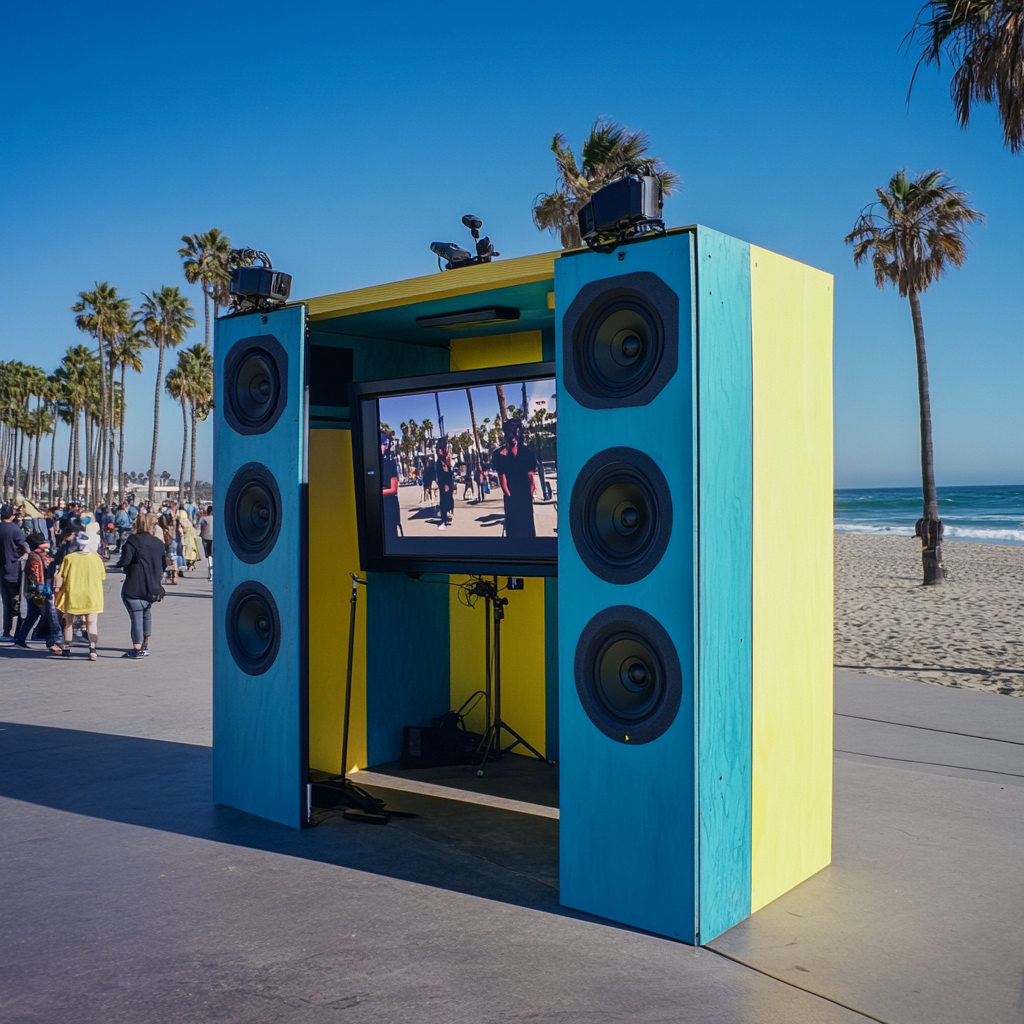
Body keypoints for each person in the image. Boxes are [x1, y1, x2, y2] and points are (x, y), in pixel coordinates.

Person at [117, 513, 166, 659]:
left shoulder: (132, 541)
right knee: (146, 612)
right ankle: (145, 644)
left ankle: (137, 648)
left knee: (136, 615)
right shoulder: (158, 543)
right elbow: (163, 564)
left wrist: (119, 565)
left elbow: (125, 561)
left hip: (134, 584)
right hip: (152, 586)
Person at [55, 531, 105, 660]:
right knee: (91, 624)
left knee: (69, 623)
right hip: (92, 595)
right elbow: (102, 576)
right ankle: (92, 650)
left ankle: (67, 647)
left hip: (73, 594)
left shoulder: (69, 558)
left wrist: (56, 589)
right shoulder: (96, 558)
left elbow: (61, 576)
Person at [13, 532, 62, 653]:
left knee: (32, 616)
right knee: (50, 616)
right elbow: (35, 578)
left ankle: (20, 640)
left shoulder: (39, 556)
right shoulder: (34, 558)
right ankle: (52, 641)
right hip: (38, 592)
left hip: (35, 592)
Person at [491, 418, 537, 539]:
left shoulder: (527, 451)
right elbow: (502, 477)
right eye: (508, 431)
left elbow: (531, 477)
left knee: (527, 528)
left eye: (514, 431)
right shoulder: (498, 454)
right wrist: (510, 495)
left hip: (525, 494)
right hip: (511, 497)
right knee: (513, 530)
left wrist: (528, 494)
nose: (511, 435)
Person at [1, 503, 30, 639]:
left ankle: (7, 631)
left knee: (6, 602)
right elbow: (25, 547)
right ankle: (18, 631)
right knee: (17, 601)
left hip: (2, 570)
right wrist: (20, 556)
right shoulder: (15, 529)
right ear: (11, 514)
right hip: (14, 570)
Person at [380, 430, 401, 540]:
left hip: (389, 506)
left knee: (391, 537)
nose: (382, 447)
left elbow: (394, 489)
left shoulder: (390, 463)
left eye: (384, 444)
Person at [435, 439, 455, 530]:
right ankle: (444, 519)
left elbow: (450, 472)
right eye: (446, 448)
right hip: (444, 483)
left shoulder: (447, 460)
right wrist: (444, 485)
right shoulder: (439, 462)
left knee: (449, 498)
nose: (448, 450)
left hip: (449, 482)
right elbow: (440, 474)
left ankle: (449, 513)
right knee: (444, 499)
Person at [198, 505, 214, 581]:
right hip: (215, 538)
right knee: (214, 555)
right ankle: (212, 571)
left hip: (206, 538)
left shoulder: (203, 519)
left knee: (208, 555)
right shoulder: (217, 519)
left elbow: (201, 528)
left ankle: (210, 573)